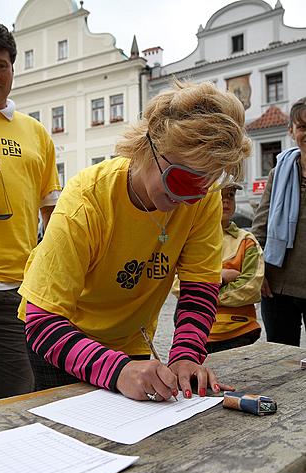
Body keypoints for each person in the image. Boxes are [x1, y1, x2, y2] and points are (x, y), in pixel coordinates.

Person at [19, 80, 251, 402]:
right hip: (63, 340)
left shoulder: (200, 199)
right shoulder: (86, 201)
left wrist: (186, 355)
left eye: (204, 184)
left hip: (129, 342)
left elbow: (199, 288)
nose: (188, 197)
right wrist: (118, 371)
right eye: (179, 179)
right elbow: (42, 321)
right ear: (149, 145)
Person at [0, 19, 61, 402]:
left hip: (16, 290)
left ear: (12, 69)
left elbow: (51, 211)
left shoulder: (36, 132)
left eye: (1, 64)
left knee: (11, 402)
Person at [173, 183, 264, 353]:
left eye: (230, 195)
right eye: (219, 195)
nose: (226, 201)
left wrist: (201, 296)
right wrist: (221, 277)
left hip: (240, 331)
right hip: (197, 334)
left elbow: (251, 287)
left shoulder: (246, 241)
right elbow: (177, 284)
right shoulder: (189, 239)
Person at [252, 97, 306, 347]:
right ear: (292, 131)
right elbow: (260, 226)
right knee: (281, 360)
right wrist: (258, 273)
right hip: (278, 288)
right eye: (303, 127)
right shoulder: (279, 173)